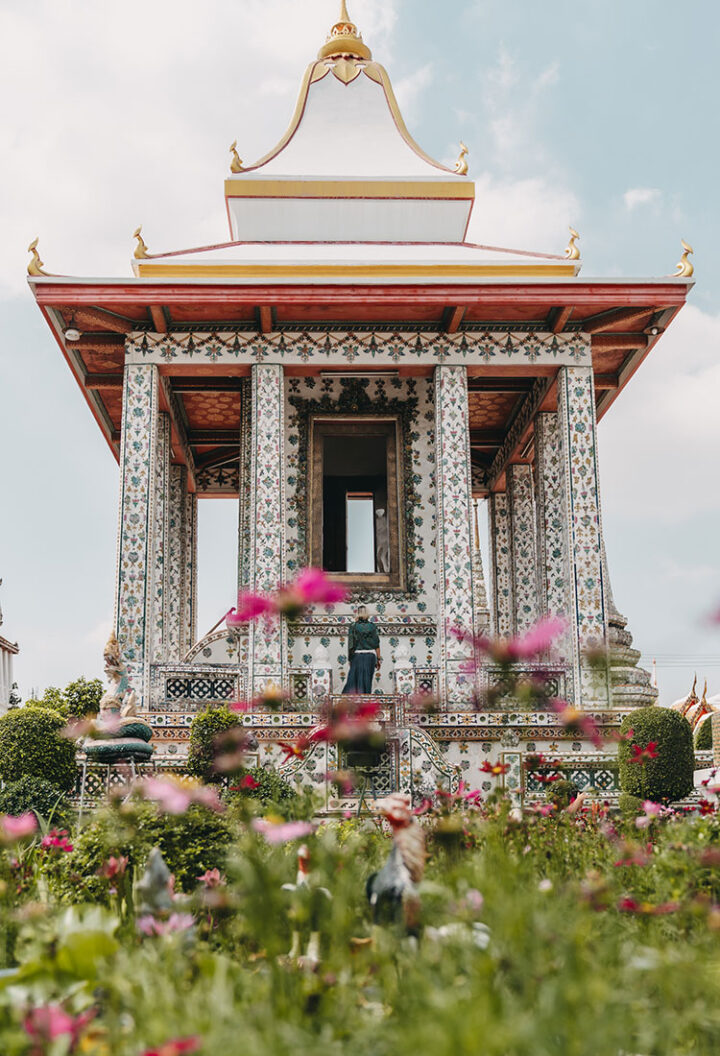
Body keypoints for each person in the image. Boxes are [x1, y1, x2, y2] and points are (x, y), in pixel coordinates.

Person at [342, 605, 381, 694]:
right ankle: (366, 702)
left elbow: (351, 644)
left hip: (357, 656)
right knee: (367, 681)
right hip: (370, 657)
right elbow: (376, 644)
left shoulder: (353, 626)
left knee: (353, 681)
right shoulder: (372, 626)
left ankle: (350, 703)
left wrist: (350, 659)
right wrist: (378, 659)